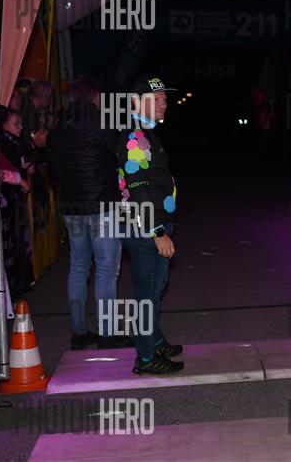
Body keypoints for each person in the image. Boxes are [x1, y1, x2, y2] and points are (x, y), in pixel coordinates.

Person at [47, 76, 130, 350]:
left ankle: (79, 332)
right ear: (97, 98)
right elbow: (123, 157)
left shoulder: (57, 128)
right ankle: (106, 333)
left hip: (71, 206)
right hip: (102, 205)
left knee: (78, 268)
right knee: (106, 270)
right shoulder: (103, 123)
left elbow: (53, 167)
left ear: (71, 98)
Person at [118, 74, 183, 375]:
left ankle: (154, 341)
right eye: (155, 99)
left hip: (153, 224)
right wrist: (157, 231)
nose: (162, 104)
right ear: (135, 102)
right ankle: (145, 358)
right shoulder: (134, 137)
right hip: (144, 227)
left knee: (155, 290)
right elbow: (138, 189)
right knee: (146, 295)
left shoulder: (147, 134)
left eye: (164, 99)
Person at [0, 110, 35, 298]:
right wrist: (20, 177)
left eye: (21, 123)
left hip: (14, 197)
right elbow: (4, 170)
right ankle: (14, 288)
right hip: (8, 198)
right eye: (16, 124)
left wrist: (26, 166)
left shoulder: (15, 142)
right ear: (4, 124)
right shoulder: (4, 142)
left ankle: (20, 284)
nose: (20, 128)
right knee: (13, 243)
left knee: (19, 242)